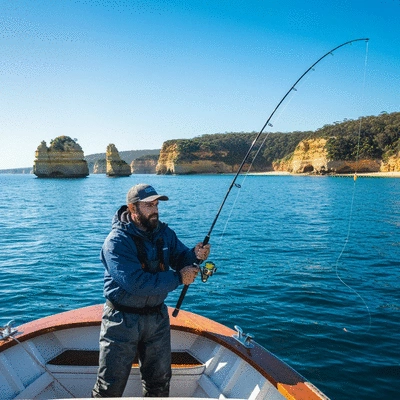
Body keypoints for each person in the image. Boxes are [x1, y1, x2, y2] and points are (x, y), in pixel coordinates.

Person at [92, 183, 210, 398]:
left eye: (156, 204)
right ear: (132, 208)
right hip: (121, 321)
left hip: (157, 318)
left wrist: (195, 254)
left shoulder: (165, 234)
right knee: (109, 386)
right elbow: (136, 283)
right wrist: (178, 277)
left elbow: (180, 257)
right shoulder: (116, 242)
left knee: (160, 382)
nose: (155, 209)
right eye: (148, 205)